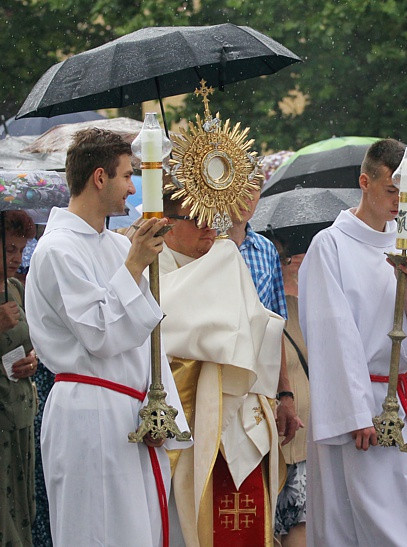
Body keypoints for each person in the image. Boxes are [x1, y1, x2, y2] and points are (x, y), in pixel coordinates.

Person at [25, 128, 190, 546]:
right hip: (88, 411)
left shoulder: (117, 248)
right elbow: (99, 335)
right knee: (97, 532)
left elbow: (149, 335)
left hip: (133, 416)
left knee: (140, 533)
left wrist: (162, 409)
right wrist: (134, 266)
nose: (133, 188)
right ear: (99, 178)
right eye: (127, 176)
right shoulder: (57, 250)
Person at [299, 138, 407, 546]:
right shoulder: (331, 245)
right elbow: (331, 333)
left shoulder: (404, 247)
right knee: (359, 523)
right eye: (392, 191)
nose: (399, 203)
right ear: (365, 182)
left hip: (399, 401)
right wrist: (354, 412)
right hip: (356, 408)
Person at [158, 193, 285, 546]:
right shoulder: (154, 266)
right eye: (196, 219)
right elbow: (162, 324)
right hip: (177, 413)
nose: (208, 229)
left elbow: (261, 324)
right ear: (167, 223)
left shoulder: (227, 259)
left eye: (211, 219)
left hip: (232, 410)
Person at [229, 185, 302, 444]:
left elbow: (276, 328)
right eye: (240, 187)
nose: (246, 197)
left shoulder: (266, 250)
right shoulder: (204, 243)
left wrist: (286, 393)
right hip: (217, 373)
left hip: (259, 378)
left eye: (253, 190)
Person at [267, 235, 310, 547]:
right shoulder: (280, 313)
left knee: (294, 523)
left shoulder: (301, 308)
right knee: (286, 524)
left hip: (297, 437)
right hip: (282, 435)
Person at [0, 210, 38, 546]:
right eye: (10, 249)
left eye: (21, 249)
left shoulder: (14, 287)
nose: (17, 257)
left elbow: (30, 345)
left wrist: (32, 361)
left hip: (21, 416)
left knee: (23, 510)